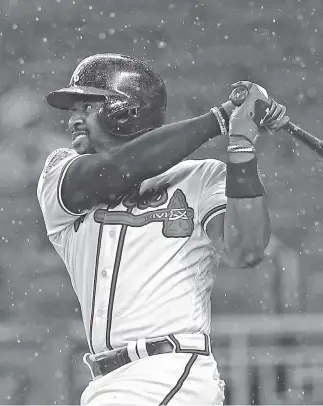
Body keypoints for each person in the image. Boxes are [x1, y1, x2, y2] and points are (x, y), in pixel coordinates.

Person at [37, 53, 288, 405]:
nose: (73, 121)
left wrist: (241, 146)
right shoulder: (60, 173)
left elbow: (246, 251)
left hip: (171, 370)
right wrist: (219, 118)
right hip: (104, 384)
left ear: (126, 109)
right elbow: (116, 171)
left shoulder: (202, 177)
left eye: (86, 107)